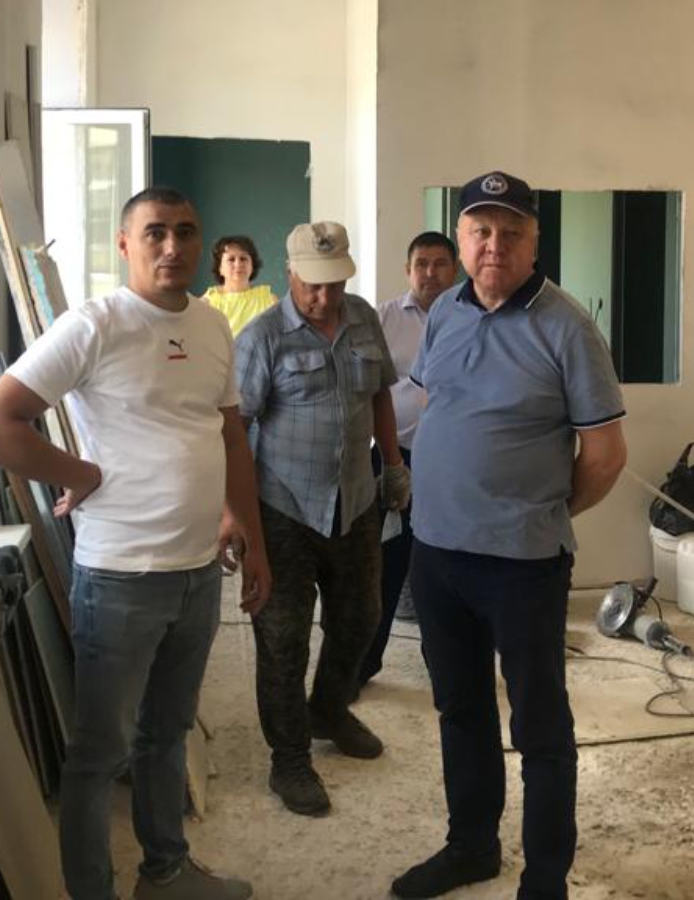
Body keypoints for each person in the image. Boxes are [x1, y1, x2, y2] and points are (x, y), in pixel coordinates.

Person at [0, 187, 269, 900]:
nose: (173, 246)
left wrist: (249, 532)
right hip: (122, 576)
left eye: (186, 231)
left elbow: (229, 435)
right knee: (100, 754)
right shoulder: (94, 326)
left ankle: (166, 872)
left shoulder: (211, 324)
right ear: (125, 245)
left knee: (167, 733)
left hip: (198, 571)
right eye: (155, 232)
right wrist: (82, 473)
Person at [392, 171, 626, 900]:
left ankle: (545, 879)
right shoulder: (446, 310)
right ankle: (472, 846)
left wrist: (539, 512)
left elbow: (605, 456)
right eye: (480, 231)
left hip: (522, 563)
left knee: (540, 727)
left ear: (534, 241)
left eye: (510, 232)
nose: (494, 245)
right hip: (437, 554)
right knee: (460, 708)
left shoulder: (568, 328)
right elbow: (433, 405)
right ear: (462, 240)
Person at [235, 220, 410, 817]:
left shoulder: (362, 318)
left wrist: (393, 465)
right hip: (282, 507)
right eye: (313, 284)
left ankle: (329, 710)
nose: (325, 296)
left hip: (355, 501)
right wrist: (236, 517)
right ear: (290, 273)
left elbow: (380, 393)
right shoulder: (262, 338)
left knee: (360, 619)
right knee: (283, 639)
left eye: (335, 283)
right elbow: (233, 431)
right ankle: (289, 759)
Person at [357, 231, 459, 688]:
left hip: (453, 465)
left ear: (455, 269)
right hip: (393, 457)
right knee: (381, 566)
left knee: (442, 568)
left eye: (440, 264)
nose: (430, 273)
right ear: (407, 269)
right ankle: (363, 664)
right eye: (422, 264)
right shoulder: (383, 319)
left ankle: (445, 665)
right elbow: (368, 390)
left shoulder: (472, 317)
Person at [204, 234, 276, 334]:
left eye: (243, 258)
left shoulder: (270, 301)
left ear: (252, 266)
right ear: (220, 268)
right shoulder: (206, 304)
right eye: (231, 259)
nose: (238, 264)